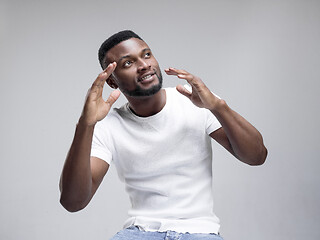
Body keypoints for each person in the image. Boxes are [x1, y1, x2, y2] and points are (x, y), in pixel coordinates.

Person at [59, 30, 267, 240]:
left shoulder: (194, 100)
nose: (144, 65)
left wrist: (218, 106)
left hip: (199, 232)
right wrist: (85, 125)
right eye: (128, 63)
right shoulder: (109, 124)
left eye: (146, 54)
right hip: (139, 232)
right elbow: (73, 202)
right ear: (112, 82)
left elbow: (257, 156)